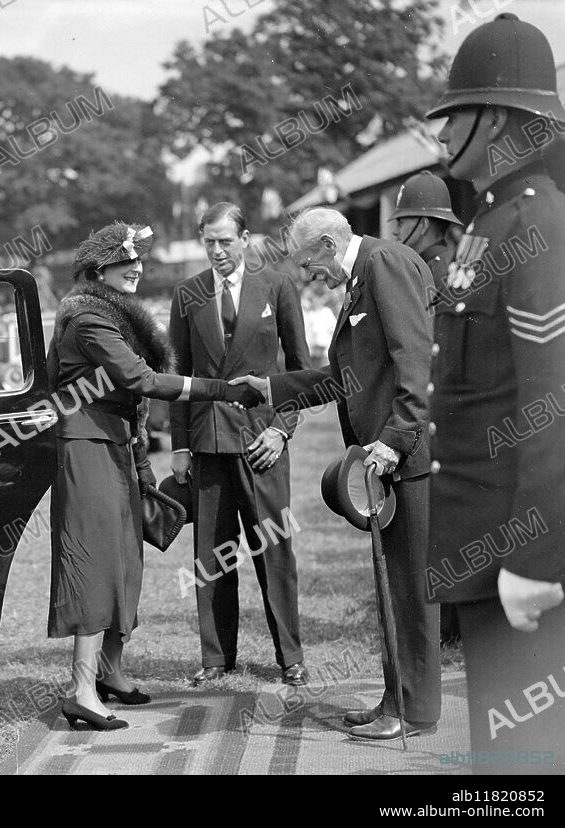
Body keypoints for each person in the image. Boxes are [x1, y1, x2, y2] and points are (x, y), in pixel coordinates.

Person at [231, 207, 440, 742]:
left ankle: (414, 712)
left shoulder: (385, 263)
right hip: (379, 459)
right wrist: (275, 388)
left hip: (401, 457)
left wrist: (394, 442)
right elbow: (348, 376)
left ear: (327, 244)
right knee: (391, 587)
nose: (308, 276)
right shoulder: (361, 273)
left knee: (411, 591)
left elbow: (414, 360)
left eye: (307, 262)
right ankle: (396, 698)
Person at [47, 221, 262, 731]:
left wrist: (143, 464)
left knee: (125, 559)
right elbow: (142, 380)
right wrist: (223, 390)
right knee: (96, 564)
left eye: (141, 260)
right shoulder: (87, 319)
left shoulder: (108, 315)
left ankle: (110, 673)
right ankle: (81, 690)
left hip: (117, 446)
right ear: (100, 269)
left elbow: (133, 399)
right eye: (128, 262)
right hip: (86, 447)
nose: (139, 268)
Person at [424, 13, 565, 772]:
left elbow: (552, 408)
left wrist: (537, 561)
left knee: (525, 764)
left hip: (518, 555)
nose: (442, 136)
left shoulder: (539, 220)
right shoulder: (489, 220)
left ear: (503, 118)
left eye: (455, 115)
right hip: (483, 548)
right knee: (500, 758)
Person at [168, 202, 311, 687]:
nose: (216, 251)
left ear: (245, 239)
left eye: (225, 241)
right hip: (208, 443)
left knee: (274, 551)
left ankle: (290, 657)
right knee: (211, 555)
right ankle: (215, 657)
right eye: (208, 241)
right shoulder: (187, 294)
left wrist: (281, 428)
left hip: (262, 442)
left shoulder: (276, 286)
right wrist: (181, 445)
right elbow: (179, 377)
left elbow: (298, 369)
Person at [389, 170, 464, 646]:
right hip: (437, 410)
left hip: (438, 412)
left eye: (402, 223)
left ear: (423, 221)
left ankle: (447, 623)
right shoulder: (434, 264)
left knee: (436, 526)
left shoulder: (434, 271)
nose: (396, 233)